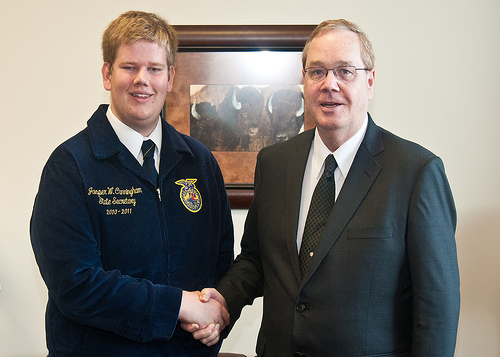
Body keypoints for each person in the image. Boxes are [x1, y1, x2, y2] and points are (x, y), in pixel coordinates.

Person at [188, 19, 460, 356]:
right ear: (304, 81)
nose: (329, 84)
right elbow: (257, 260)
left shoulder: (416, 172)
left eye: (345, 71)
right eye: (317, 71)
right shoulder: (275, 163)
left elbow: (437, 306)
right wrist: (222, 301)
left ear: (370, 81)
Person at [30, 10, 233, 356]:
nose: (143, 79)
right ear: (108, 74)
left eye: (154, 69)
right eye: (129, 67)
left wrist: (215, 319)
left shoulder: (199, 162)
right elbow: (76, 285)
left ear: (169, 77)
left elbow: (220, 264)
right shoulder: (70, 166)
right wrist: (179, 305)